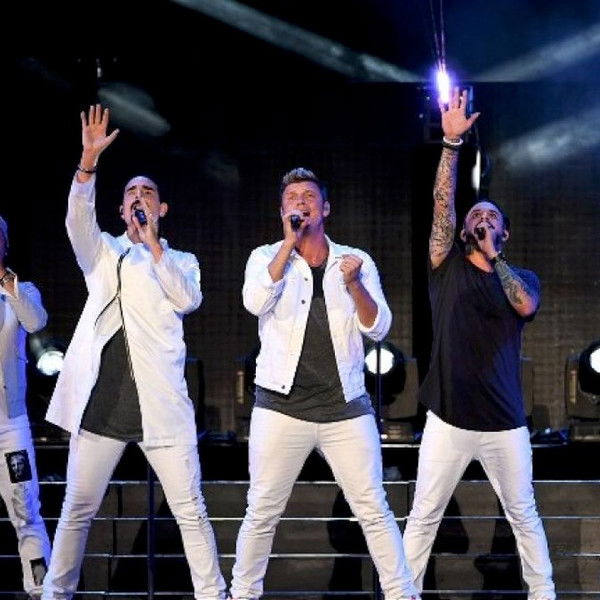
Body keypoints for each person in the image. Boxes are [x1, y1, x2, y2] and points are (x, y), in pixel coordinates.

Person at [41, 105, 226, 600]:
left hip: (160, 408)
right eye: (130, 193)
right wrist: (88, 163)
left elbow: (187, 299)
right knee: (77, 511)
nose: (139, 197)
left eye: (147, 193)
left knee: (190, 510)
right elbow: (76, 221)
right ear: (121, 211)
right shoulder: (103, 252)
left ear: (161, 209)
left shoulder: (181, 260)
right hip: (102, 408)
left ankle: (214, 595)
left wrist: (154, 247)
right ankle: (55, 594)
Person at [230, 167, 419, 600]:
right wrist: (288, 244)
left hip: (344, 407)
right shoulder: (265, 257)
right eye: (292, 197)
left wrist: (353, 284)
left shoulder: (354, 260)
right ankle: (242, 595)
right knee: (261, 511)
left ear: (326, 208)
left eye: (309, 196)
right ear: (282, 211)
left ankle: (402, 593)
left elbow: (378, 327)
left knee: (373, 507)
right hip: (280, 407)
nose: (301, 202)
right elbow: (254, 302)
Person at [402, 89, 555, 599]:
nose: (481, 219)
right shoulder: (445, 265)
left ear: (503, 233)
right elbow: (442, 205)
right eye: (476, 216)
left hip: (504, 422)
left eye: (491, 218)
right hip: (448, 419)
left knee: (523, 514)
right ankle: (402, 593)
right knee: (424, 514)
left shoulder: (521, 278)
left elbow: (524, 306)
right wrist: (451, 145)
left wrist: (496, 258)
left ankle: (544, 594)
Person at [0, 215, 51, 599]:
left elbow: (35, 321)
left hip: (9, 423)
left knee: (25, 506)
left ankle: (40, 588)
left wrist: (5, 279)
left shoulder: (20, 289)